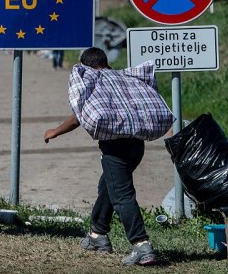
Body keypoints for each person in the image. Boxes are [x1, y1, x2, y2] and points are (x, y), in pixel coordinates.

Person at [43, 47, 174, 266]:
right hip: (136, 146)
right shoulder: (125, 78)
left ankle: (141, 245)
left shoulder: (95, 81)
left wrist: (55, 131)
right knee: (108, 186)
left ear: (86, 66)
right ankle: (97, 235)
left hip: (115, 149)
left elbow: (79, 116)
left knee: (122, 195)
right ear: (105, 62)